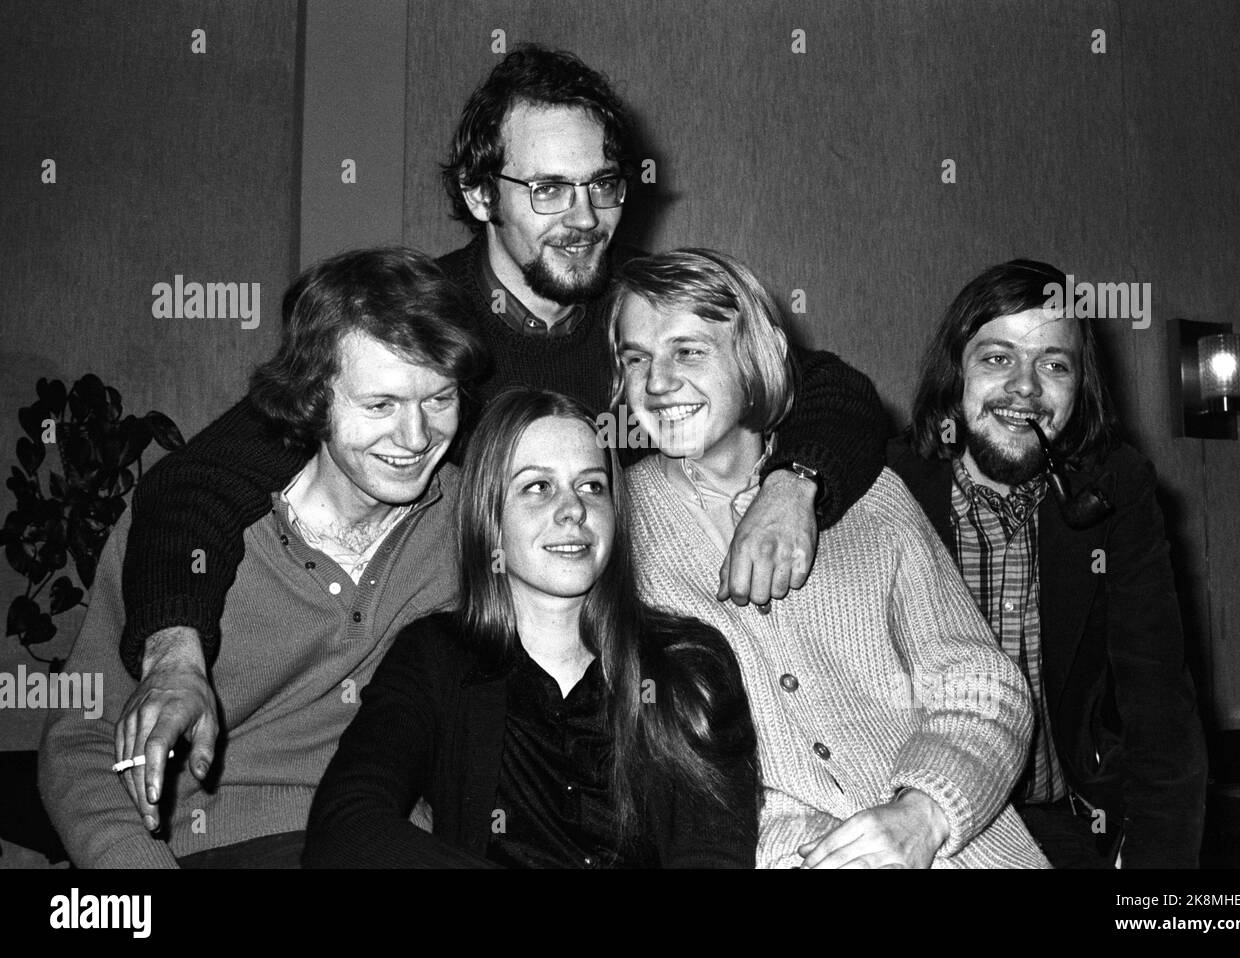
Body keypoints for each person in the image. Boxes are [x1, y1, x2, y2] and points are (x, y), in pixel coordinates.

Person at [112, 45, 888, 828]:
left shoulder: (642, 316)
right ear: (481, 195)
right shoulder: (415, 324)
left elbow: (831, 390)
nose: (584, 219)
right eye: (548, 189)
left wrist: (798, 483)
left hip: (607, 711)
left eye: (602, 185)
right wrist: (175, 658)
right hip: (455, 725)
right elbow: (196, 482)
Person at [39, 246, 486, 866]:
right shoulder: (180, 533)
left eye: (438, 400)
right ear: (313, 397)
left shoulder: (468, 522)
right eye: (380, 405)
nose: (416, 439)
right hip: (204, 849)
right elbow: (80, 742)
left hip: (382, 846)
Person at [611, 248, 1048, 868]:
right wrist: (819, 851)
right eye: (636, 359)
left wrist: (924, 814)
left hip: (976, 849)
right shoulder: (614, 531)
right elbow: (660, 767)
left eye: (689, 351)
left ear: (752, 357)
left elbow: (984, 685)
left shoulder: (869, 492)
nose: (656, 383)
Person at [303, 389, 758, 867]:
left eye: (591, 486)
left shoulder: (688, 663)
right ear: (490, 518)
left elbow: (713, 856)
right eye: (537, 487)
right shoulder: (437, 658)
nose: (573, 510)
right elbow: (346, 827)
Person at [887, 259, 1208, 868]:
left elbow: (1158, 700)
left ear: (1079, 390)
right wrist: (791, 485)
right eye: (997, 358)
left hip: (1067, 828)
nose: (1026, 387)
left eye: (1053, 364)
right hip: (918, 829)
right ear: (954, 375)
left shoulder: (1119, 490)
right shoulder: (889, 483)